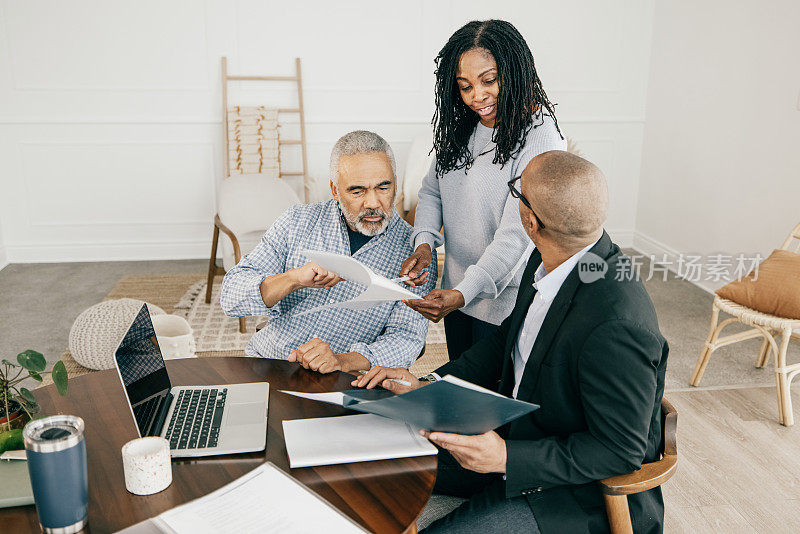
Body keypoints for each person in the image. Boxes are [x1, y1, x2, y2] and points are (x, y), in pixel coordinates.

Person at [357, 151, 669, 533]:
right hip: (514, 433)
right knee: (368, 451)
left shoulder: (617, 323)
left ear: (528, 220)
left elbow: (619, 450)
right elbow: (508, 341)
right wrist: (428, 386)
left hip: (572, 493)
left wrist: (506, 457)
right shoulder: (549, 258)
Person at [401, 19, 567, 361]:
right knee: (462, 398)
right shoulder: (464, 126)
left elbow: (515, 235)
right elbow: (432, 191)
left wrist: (463, 293)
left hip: (504, 303)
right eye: (465, 86)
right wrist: (424, 243)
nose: (477, 96)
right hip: (458, 291)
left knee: (492, 405)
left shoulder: (540, 138)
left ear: (515, 71)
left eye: (489, 80)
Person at [220, 130, 436, 374]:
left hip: (347, 382)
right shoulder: (296, 222)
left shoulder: (416, 255)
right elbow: (231, 298)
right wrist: (292, 279)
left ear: (395, 183)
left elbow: (406, 340)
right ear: (335, 190)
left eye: (383, 188)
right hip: (272, 364)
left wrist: (341, 361)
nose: (373, 203)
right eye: (357, 191)